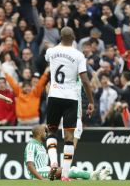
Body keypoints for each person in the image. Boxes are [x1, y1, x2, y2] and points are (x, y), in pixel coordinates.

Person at [45, 27, 94, 181]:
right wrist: (91, 101)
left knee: (51, 132)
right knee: (69, 136)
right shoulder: (79, 55)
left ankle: (53, 161)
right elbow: (85, 80)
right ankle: (65, 175)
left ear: (60, 36)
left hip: (54, 96)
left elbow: (47, 57)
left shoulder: (52, 52)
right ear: (73, 37)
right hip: (71, 99)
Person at [24, 125, 110, 181]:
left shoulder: (41, 146)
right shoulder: (31, 145)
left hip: (46, 171)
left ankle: (96, 177)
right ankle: (92, 175)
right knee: (68, 170)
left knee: (72, 179)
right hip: (38, 174)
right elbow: (30, 165)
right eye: (45, 131)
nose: (47, 133)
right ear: (39, 133)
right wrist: (41, 179)